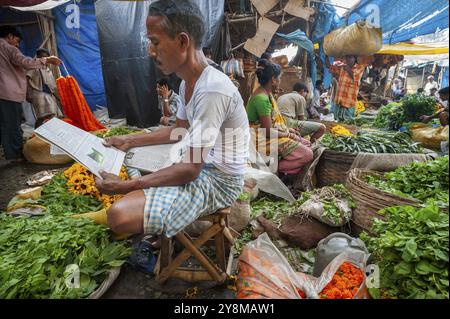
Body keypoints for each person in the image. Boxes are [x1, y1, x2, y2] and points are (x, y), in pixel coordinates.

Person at [94, 0, 249, 239]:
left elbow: (190, 170)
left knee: (119, 216)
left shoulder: (212, 90)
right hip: (200, 164)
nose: (150, 51)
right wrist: (128, 140)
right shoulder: (189, 82)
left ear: (183, 41)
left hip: (219, 179)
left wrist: (127, 187)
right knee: (133, 158)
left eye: (155, 42)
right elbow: (179, 130)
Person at [0, 26, 60, 161]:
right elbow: (25, 62)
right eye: (17, 40)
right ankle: (15, 154)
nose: (18, 44)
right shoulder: (8, 48)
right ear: (10, 36)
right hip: (9, 93)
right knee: (12, 125)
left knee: (6, 124)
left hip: (6, 93)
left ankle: (10, 150)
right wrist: (47, 60)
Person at [246, 59, 313, 176]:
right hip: (259, 139)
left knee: (306, 143)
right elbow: (268, 132)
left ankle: (277, 168)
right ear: (273, 79)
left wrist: (287, 130)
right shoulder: (261, 99)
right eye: (279, 78)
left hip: (266, 135)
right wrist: (287, 134)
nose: (280, 80)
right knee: (307, 154)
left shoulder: (266, 94)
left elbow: (273, 122)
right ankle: (269, 169)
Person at [326, 55, 368, 122]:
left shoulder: (360, 67)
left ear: (355, 59)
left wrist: (347, 68)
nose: (349, 60)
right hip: (340, 98)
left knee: (348, 120)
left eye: (351, 57)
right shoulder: (342, 67)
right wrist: (326, 56)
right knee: (338, 120)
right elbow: (329, 67)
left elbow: (354, 76)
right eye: (347, 58)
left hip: (349, 99)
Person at [26, 48, 63, 118]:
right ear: (37, 57)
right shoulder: (33, 68)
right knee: (42, 117)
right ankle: (39, 128)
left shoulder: (48, 70)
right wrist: (27, 94)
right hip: (38, 95)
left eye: (45, 57)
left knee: (55, 116)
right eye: (41, 57)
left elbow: (53, 88)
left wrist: (60, 99)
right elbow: (26, 79)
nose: (43, 59)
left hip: (49, 95)